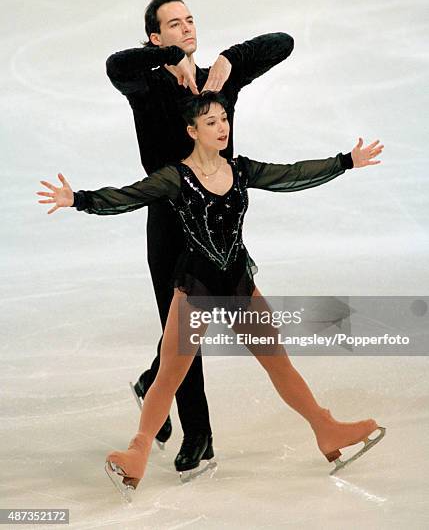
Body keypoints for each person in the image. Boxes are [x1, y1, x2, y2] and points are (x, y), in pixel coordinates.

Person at [37, 91, 386, 502]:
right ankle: (137, 454)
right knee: (169, 375)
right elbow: (128, 195)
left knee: (280, 366)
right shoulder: (175, 177)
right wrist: (78, 200)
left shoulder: (239, 170)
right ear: (192, 131)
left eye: (224, 119)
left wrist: (345, 161)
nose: (222, 128)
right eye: (211, 123)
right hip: (198, 286)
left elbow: (290, 174)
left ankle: (326, 430)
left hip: (238, 282)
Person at [105, 0, 295, 476]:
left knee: (184, 331)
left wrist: (230, 61)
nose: (187, 29)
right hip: (168, 220)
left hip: (216, 220)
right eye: (174, 25)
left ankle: (154, 380)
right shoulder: (145, 85)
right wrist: (172, 60)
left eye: (190, 21)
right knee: (185, 332)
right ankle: (199, 433)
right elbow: (115, 64)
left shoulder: (215, 81)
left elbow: (283, 42)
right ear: (155, 37)